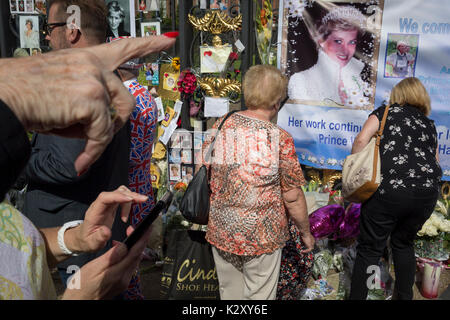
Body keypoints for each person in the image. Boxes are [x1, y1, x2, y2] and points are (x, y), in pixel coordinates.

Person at [0, 34, 176, 299]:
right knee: (127, 267)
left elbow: (11, 244)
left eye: (52, 26)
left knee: (123, 267)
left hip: (110, 194)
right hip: (134, 182)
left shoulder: (123, 95)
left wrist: (74, 239)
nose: (48, 35)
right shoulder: (144, 98)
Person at [201, 65, 315, 300]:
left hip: (222, 229)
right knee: (259, 297)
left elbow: (203, 169)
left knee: (230, 295)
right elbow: (292, 196)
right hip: (262, 235)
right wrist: (306, 232)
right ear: (277, 101)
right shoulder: (279, 138)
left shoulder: (220, 125)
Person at [348, 77, 442, 300]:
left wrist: (353, 166)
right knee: (403, 244)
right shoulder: (429, 124)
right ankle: (404, 296)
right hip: (426, 194)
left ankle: (363, 296)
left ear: (398, 95)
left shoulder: (385, 112)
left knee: (370, 249)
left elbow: (362, 140)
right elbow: (436, 160)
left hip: (390, 190)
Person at [288, 6, 370, 108]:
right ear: (322, 40)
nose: (345, 50)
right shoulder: (300, 80)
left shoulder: (357, 79)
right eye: (338, 41)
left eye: (352, 42)